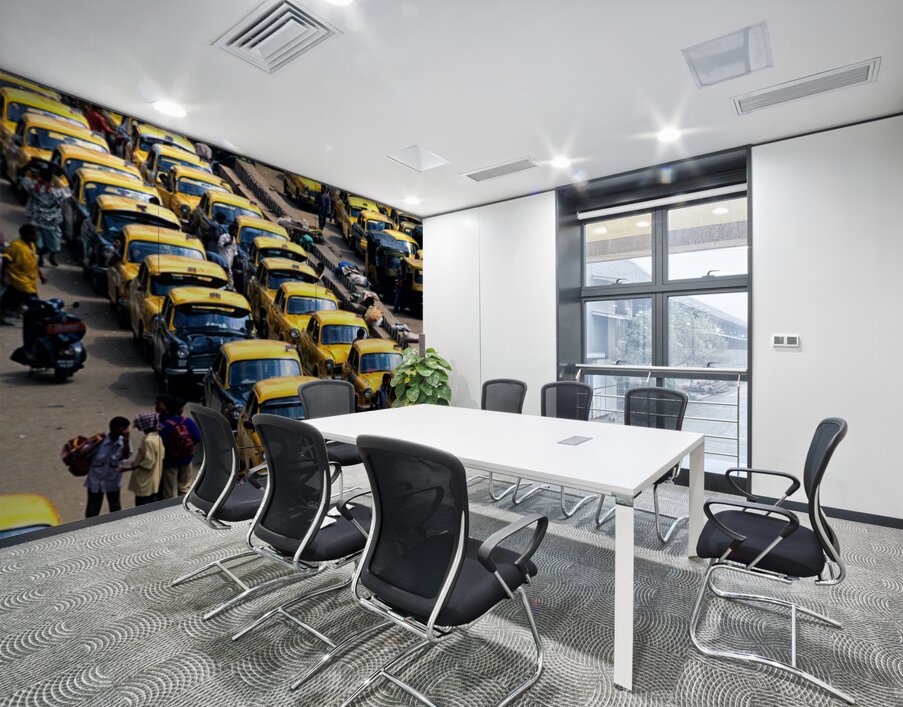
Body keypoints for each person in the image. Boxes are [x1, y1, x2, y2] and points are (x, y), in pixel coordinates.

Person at [21, 167, 69, 266]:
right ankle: (42, 258)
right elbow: (69, 191)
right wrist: (63, 177)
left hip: (45, 222)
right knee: (47, 244)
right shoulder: (57, 192)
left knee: (48, 244)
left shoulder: (34, 188)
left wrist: (30, 168)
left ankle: (46, 257)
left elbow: (24, 179)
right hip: (44, 222)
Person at [84, 416, 132, 517]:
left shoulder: (124, 442)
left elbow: (126, 455)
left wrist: (127, 441)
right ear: (115, 428)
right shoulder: (99, 440)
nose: (126, 431)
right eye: (124, 428)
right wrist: (94, 443)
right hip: (96, 481)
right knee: (93, 509)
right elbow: (83, 453)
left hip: (112, 481)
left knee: (115, 507)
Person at [158, 395, 202, 499]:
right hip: (186, 459)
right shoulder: (188, 421)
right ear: (179, 409)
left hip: (169, 461)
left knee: (169, 489)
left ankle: (169, 510)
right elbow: (197, 437)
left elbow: (161, 443)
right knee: (185, 486)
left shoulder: (164, 425)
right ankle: (183, 507)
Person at [1, 224, 46, 325]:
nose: (37, 237)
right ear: (27, 235)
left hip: (29, 279)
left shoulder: (32, 245)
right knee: (32, 300)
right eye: (34, 235)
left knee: (10, 298)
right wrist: (4, 277)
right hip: (19, 279)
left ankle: (4, 314)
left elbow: (34, 261)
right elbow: (5, 260)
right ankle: (40, 319)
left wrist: (40, 274)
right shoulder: (15, 246)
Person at [119, 412, 164, 506]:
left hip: (145, 481)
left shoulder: (148, 440)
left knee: (142, 507)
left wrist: (129, 468)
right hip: (154, 480)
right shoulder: (157, 437)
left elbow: (148, 462)